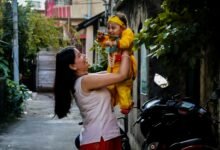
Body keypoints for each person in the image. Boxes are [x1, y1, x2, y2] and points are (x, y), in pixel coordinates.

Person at [54, 46, 130, 150]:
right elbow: (122, 75)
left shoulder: (88, 78)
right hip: (99, 139)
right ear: (72, 66)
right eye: (79, 56)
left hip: (107, 136)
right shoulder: (86, 81)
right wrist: (126, 49)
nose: (84, 56)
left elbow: (114, 74)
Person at [97, 12, 137, 114]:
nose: (110, 30)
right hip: (113, 66)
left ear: (122, 27)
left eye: (113, 28)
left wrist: (114, 43)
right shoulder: (112, 37)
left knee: (122, 87)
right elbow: (104, 43)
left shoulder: (127, 32)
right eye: (109, 28)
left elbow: (125, 43)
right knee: (110, 86)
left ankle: (126, 105)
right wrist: (101, 39)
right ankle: (110, 104)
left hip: (125, 65)